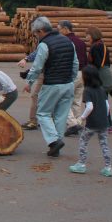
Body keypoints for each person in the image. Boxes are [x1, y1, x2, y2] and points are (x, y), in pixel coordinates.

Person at [22, 16, 78, 157]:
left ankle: (53, 141)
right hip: (68, 84)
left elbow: (37, 67)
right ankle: (56, 146)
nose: (36, 36)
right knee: (61, 115)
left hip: (52, 84)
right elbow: (75, 63)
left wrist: (29, 82)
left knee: (43, 113)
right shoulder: (68, 41)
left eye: (36, 34)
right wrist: (71, 79)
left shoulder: (44, 45)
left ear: (41, 31)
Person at [68, 65, 112, 177]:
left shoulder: (87, 91)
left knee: (83, 141)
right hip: (103, 123)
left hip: (92, 123)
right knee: (104, 144)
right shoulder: (102, 89)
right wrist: (104, 117)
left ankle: (81, 164)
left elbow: (89, 107)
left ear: (86, 78)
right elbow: (107, 106)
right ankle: (108, 167)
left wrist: (81, 118)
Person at [59, 20, 88, 137]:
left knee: (63, 100)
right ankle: (78, 123)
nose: (59, 31)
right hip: (82, 74)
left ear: (65, 29)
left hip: (71, 73)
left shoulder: (65, 42)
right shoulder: (81, 42)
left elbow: (64, 59)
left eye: (60, 29)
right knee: (77, 101)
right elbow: (85, 59)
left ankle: (72, 124)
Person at [87, 26, 112, 133]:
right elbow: (107, 63)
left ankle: (107, 125)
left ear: (92, 35)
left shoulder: (95, 47)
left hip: (98, 79)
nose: (87, 37)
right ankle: (107, 125)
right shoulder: (104, 46)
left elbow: (98, 64)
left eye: (88, 35)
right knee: (103, 102)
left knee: (99, 103)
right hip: (106, 77)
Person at [17, 50, 42, 130]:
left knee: (35, 96)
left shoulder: (45, 44)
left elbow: (38, 64)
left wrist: (29, 82)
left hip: (47, 74)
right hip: (63, 77)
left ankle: (33, 121)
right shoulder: (69, 44)